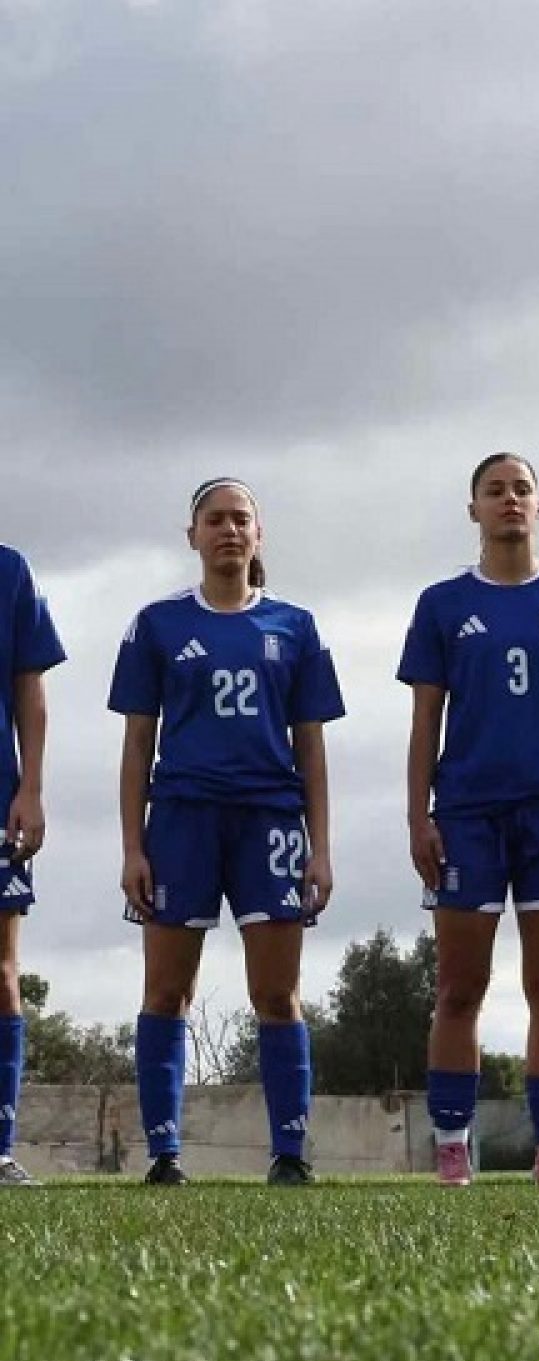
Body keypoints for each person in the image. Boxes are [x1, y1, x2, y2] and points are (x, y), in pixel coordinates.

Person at [110, 479, 344, 1185]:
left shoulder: (296, 627)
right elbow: (137, 744)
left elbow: (312, 747)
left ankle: (291, 1155)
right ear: (193, 535)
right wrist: (132, 846)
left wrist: (321, 848)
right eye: (215, 520)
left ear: (258, 534)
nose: (229, 530)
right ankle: (164, 1155)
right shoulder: (157, 624)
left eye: (241, 519)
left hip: (270, 819)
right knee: (166, 991)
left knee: (276, 992)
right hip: (182, 818)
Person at [399, 452, 539, 1186]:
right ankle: (452, 1144)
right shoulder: (442, 604)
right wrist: (418, 815)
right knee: (459, 987)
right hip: (466, 813)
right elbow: (425, 721)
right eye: (494, 490)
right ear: (474, 510)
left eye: (521, 488)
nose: (509, 500)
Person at [0, 546, 66, 1184]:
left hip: (0, 793)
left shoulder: (10, 570)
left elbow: (30, 687)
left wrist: (31, 788)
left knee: (1, 970)